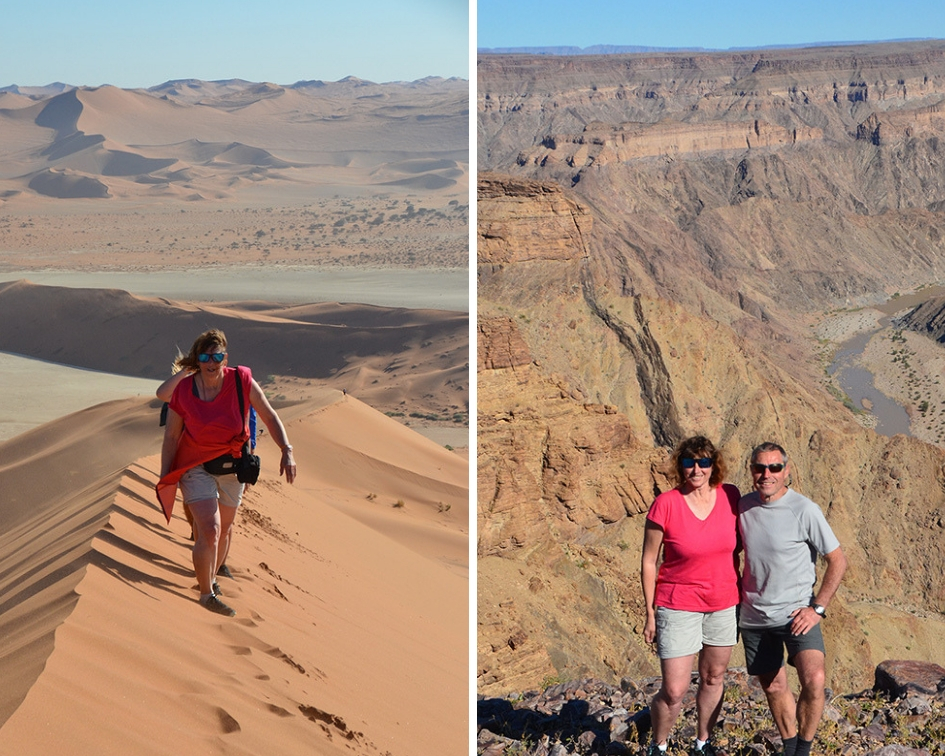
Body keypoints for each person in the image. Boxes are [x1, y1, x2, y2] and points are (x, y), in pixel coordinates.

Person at [156, 329, 297, 616]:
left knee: (225, 530)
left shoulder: (242, 381)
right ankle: (206, 593)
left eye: (217, 356)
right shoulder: (184, 390)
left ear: (225, 358)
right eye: (206, 357)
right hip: (195, 465)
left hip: (233, 467)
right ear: (198, 359)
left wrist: (286, 449)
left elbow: (269, 415)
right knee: (210, 529)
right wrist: (165, 475)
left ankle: (214, 578)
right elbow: (171, 437)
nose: (212, 362)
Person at [738, 442, 847, 756]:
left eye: (774, 468)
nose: (766, 474)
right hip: (754, 616)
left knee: (814, 678)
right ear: (752, 471)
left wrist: (818, 609)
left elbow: (837, 560)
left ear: (786, 471)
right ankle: (789, 749)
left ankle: (804, 750)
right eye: (760, 468)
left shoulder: (804, 509)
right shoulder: (743, 508)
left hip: (797, 614)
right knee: (773, 685)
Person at [640, 436, 741, 756]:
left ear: (714, 465)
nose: (696, 469)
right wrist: (650, 613)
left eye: (703, 462)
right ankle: (658, 745)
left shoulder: (730, 496)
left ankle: (702, 743)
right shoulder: (666, 504)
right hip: (677, 602)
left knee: (713, 677)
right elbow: (648, 560)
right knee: (674, 689)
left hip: (723, 602)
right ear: (680, 466)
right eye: (688, 462)